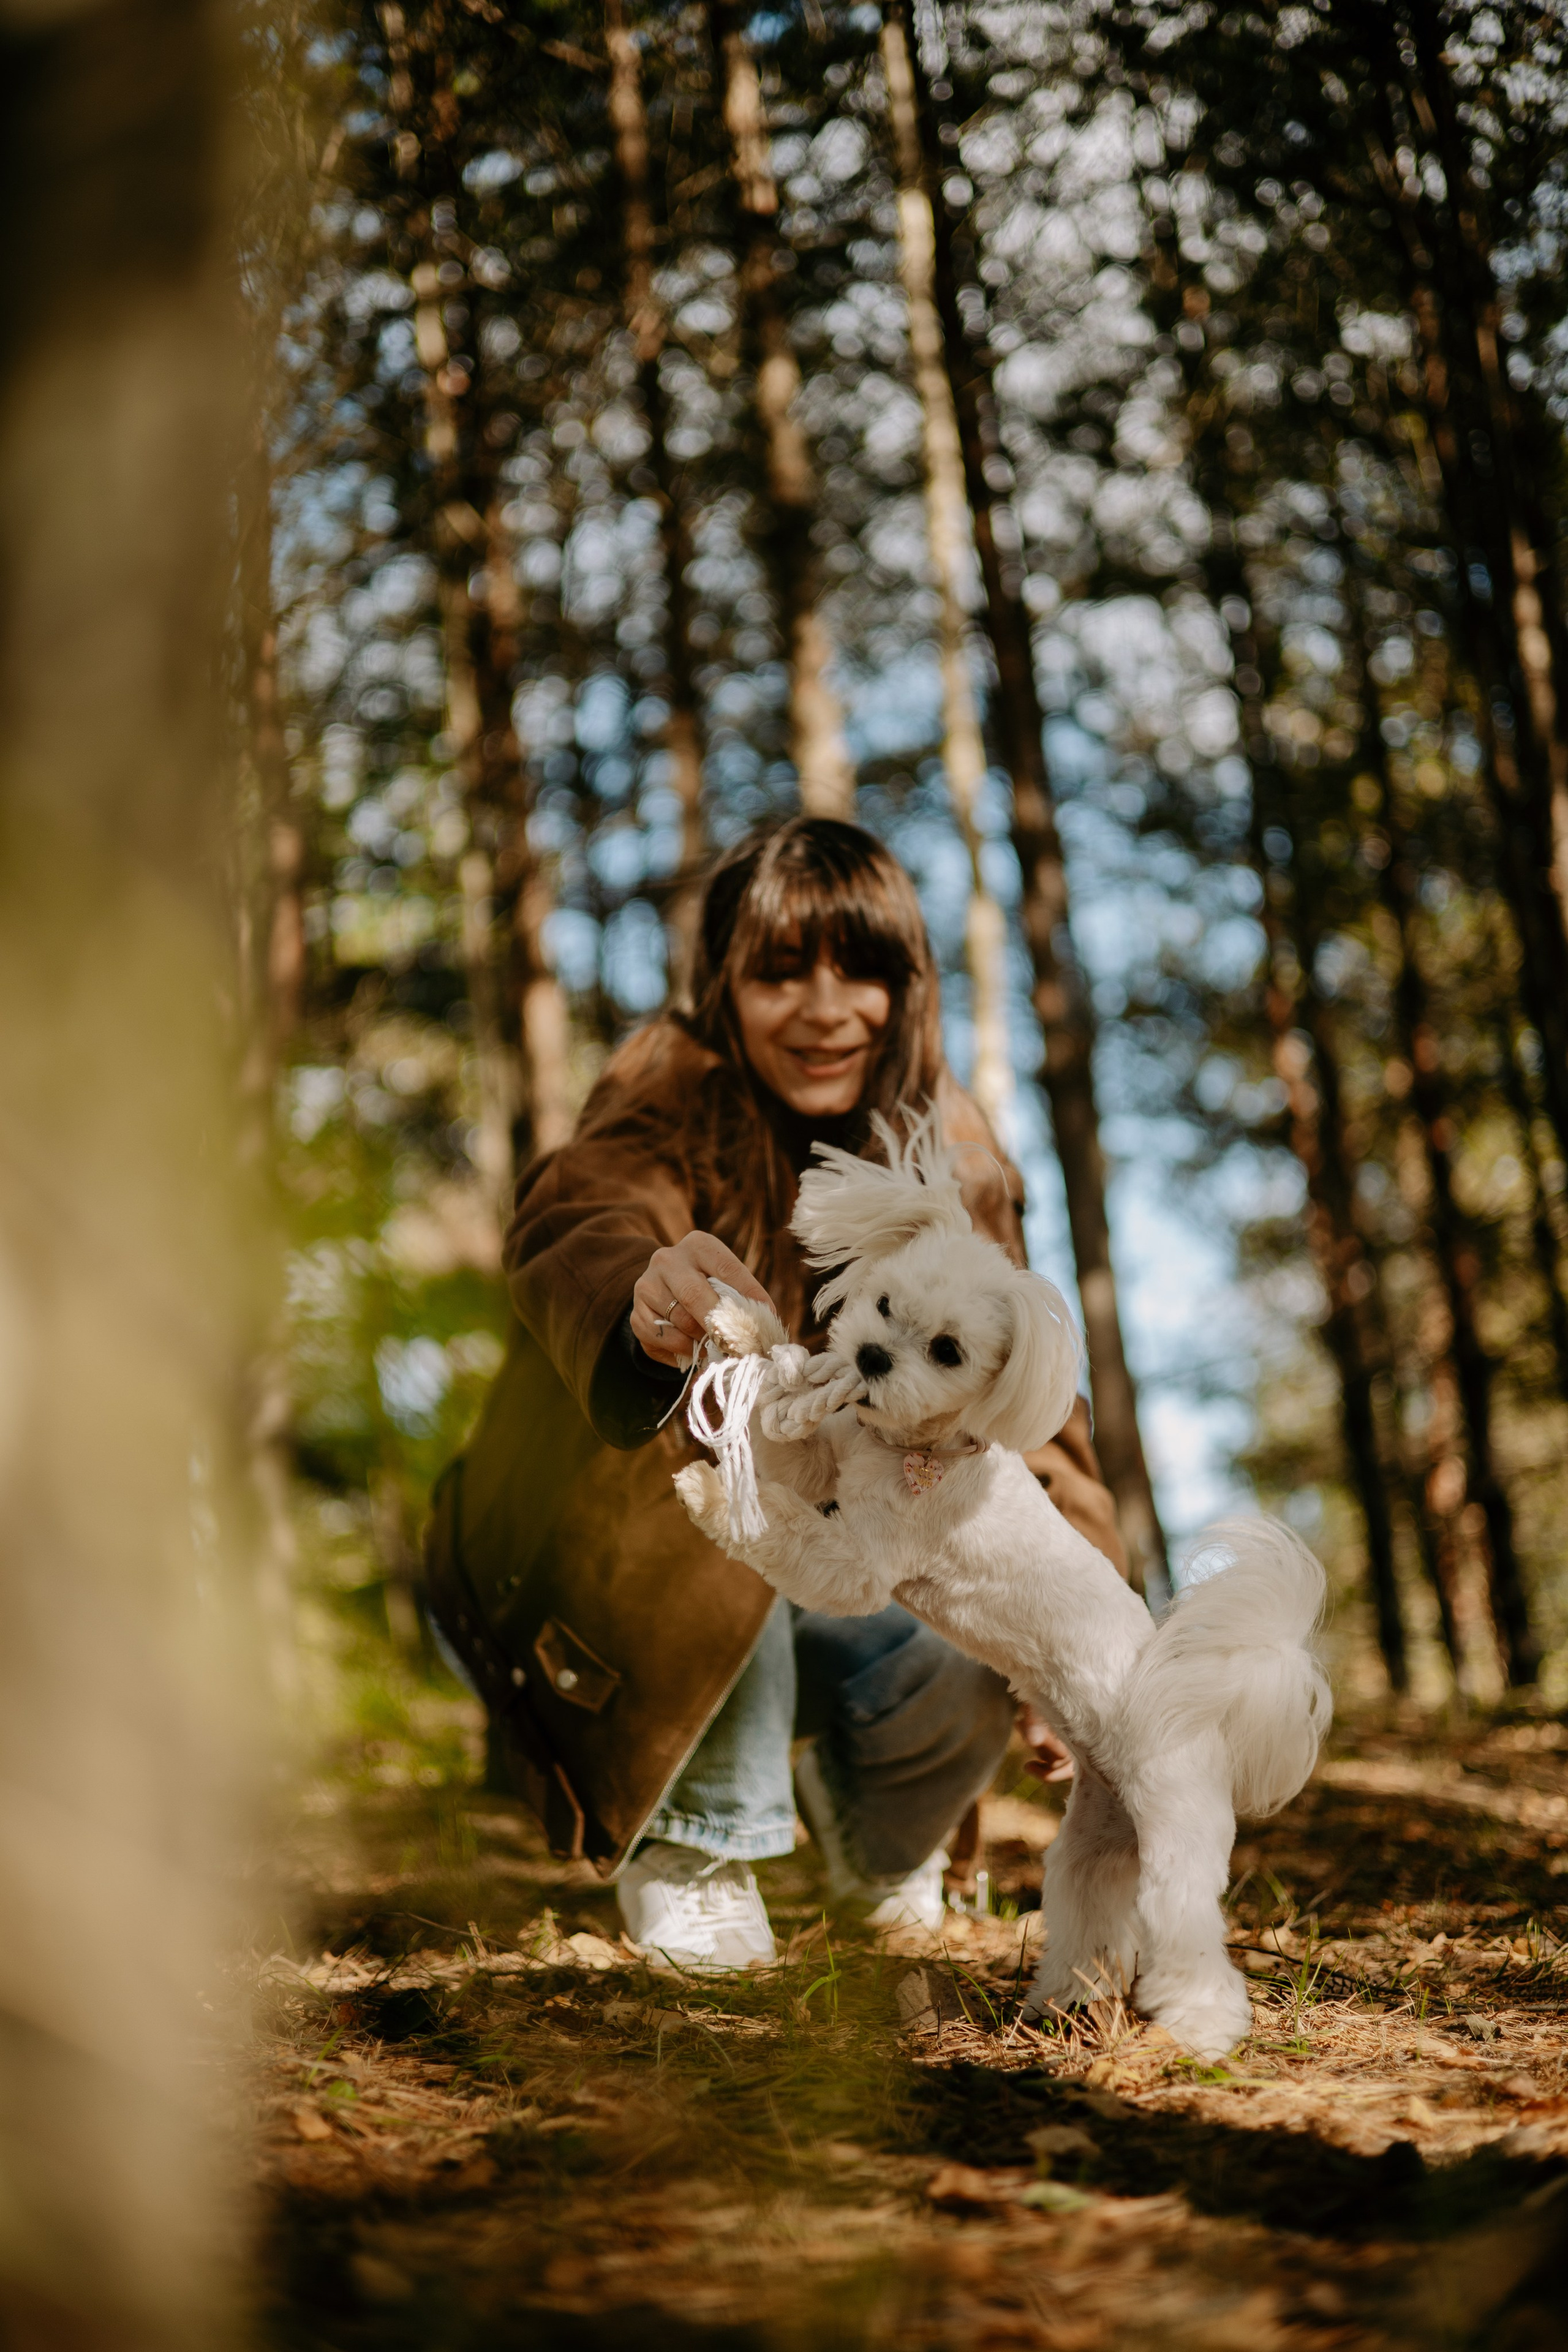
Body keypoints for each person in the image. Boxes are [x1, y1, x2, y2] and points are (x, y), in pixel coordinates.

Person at [423, 817, 1126, 1970]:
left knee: (984, 1549)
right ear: (724, 985)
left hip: (836, 1559)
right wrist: (640, 1300)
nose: (824, 1008)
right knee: (727, 1442)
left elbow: (1031, 1429)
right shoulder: (667, 1084)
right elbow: (581, 1211)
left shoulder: (953, 1149)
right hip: (585, 1576)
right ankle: (697, 1844)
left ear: (909, 988)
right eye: (780, 971)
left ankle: (884, 1845)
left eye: (862, 970)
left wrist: (1082, 1623)